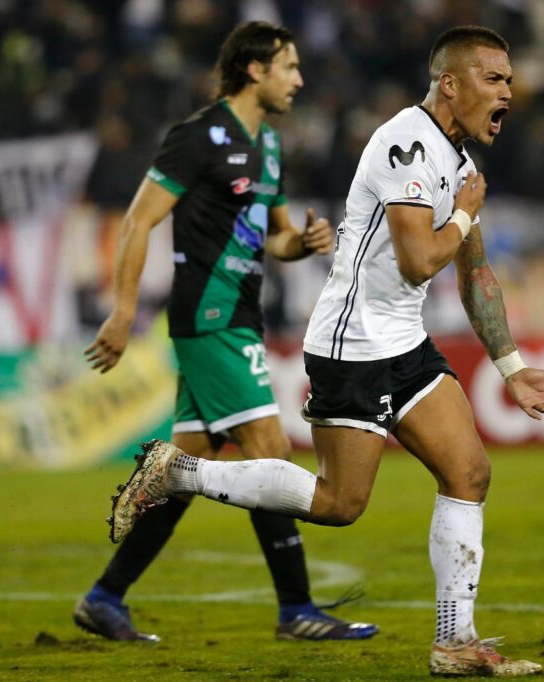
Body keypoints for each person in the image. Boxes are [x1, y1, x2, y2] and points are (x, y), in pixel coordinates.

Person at [110, 26, 544, 677]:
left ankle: (454, 643)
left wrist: (513, 367)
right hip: (353, 345)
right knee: (338, 504)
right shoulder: (406, 145)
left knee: (469, 473)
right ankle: (181, 473)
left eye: (507, 78)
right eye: (494, 78)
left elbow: (475, 277)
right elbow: (418, 262)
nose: (508, 90)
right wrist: (466, 215)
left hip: (404, 342)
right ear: (451, 83)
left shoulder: (462, 166)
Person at [80, 21, 378, 642]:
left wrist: (304, 241)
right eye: (289, 67)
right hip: (208, 316)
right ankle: (296, 608)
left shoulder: (269, 145)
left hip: (241, 313)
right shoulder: (198, 137)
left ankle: (104, 597)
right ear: (253, 69)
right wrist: (122, 310)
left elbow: (275, 236)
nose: (299, 79)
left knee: (187, 466)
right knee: (270, 451)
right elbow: (138, 221)